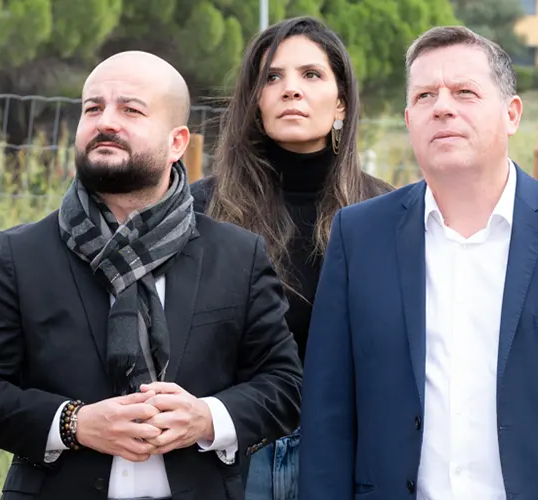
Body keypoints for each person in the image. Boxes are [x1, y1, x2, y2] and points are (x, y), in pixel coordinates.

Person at [297, 26, 538, 499]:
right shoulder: (359, 236)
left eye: (465, 92)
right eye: (425, 95)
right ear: (409, 119)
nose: (442, 107)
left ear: (512, 114)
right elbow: (328, 417)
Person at [0, 51, 303, 500]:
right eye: (92, 108)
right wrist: (73, 424)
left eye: (131, 110)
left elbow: (284, 385)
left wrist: (206, 418)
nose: (106, 122)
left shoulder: (237, 255)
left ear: (177, 142)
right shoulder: (22, 255)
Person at [188, 16, 392, 500]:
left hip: (345, 453)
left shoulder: (384, 212)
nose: (290, 89)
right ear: (254, 100)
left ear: (341, 101)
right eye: (272, 77)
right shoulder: (201, 208)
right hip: (231, 453)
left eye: (311, 74)